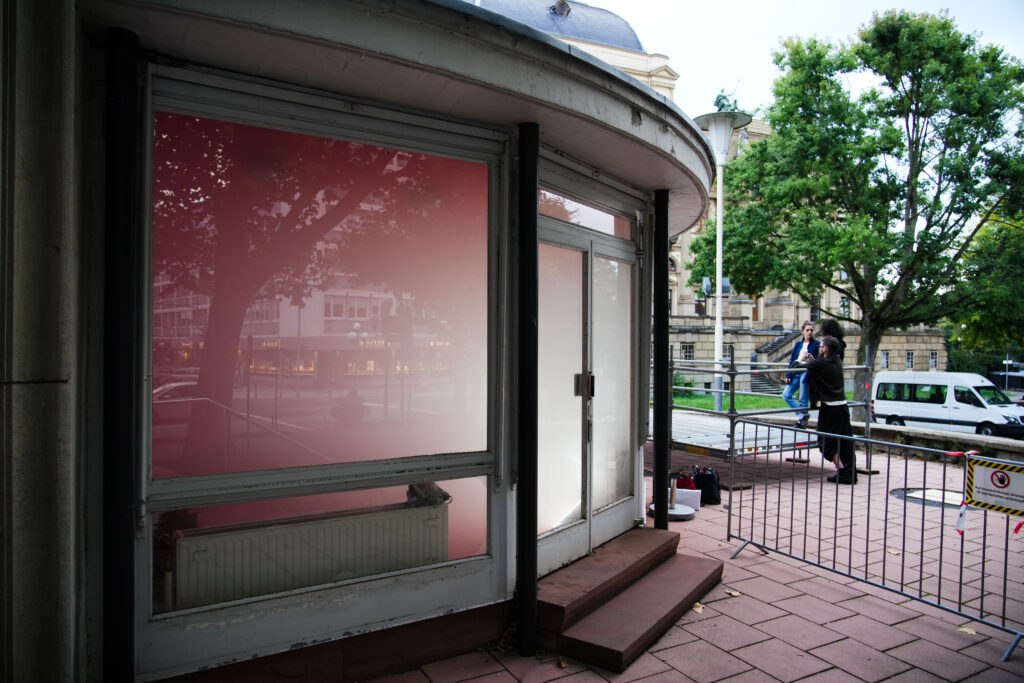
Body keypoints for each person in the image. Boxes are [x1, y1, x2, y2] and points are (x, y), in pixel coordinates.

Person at [796, 335, 856, 484]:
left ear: (826, 349)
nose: (820, 348)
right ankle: (850, 472)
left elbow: (796, 368)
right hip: (842, 406)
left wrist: (801, 357)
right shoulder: (837, 360)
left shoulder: (821, 363)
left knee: (825, 442)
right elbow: (821, 366)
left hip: (830, 408)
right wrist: (814, 361)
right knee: (845, 441)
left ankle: (843, 471)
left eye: (821, 347)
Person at [783, 321, 820, 428]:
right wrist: (788, 375)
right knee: (786, 395)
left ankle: (802, 422)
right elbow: (792, 360)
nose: (809, 332)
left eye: (811, 330)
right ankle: (802, 416)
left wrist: (810, 359)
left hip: (806, 372)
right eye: (807, 330)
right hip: (796, 372)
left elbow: (817, 361)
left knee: (803, 398)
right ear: (802, 332)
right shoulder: (798, 344)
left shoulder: (816, 344)